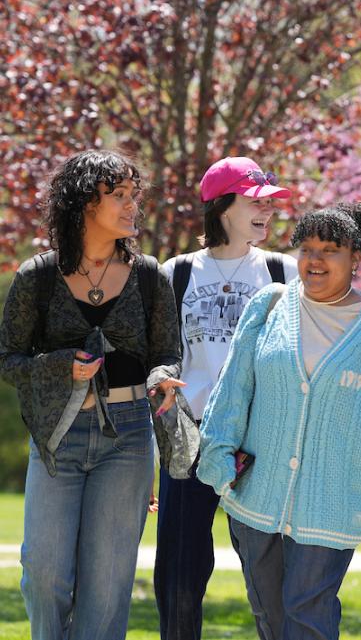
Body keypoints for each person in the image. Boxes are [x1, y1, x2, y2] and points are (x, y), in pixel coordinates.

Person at [196, 202, 361, 640]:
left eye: (330, 250)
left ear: (356, 258)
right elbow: (232, 390)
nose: (314, 260)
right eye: (306, 248)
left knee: (307, 618)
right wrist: (218, 465)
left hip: (333, 507)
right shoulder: (270, 305)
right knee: (269, 618)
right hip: (254, 501)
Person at [0, 149, 183, 640]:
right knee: (44, 573)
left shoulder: (150, 276)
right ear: (84, 204)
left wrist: (162, 378)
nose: (131, 207)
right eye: (118, 196)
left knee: (107, 586)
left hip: (127, 438)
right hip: (57, 439)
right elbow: (8, 359)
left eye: (133, 196)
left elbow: (167, 352)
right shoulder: (36, 277)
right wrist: (63, 368)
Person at [154, 156, 298, 640]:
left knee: (269, 578)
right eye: (254, 201)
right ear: (221, 206)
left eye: (269, 203)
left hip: (261, 444)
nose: (267, 212)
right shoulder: (175, 274)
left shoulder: (285, 271)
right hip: (190, 440)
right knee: (179, 577)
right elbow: (162, 358)